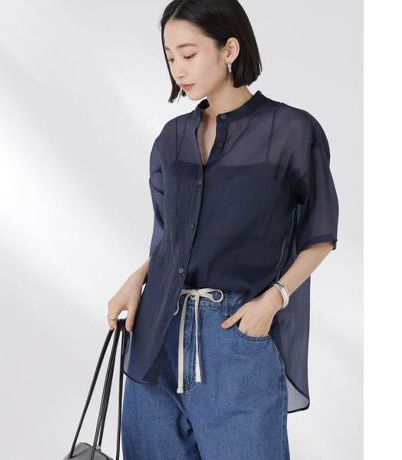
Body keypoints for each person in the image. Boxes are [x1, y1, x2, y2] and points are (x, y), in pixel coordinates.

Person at [107, 0, 339, 458]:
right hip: (155, 338)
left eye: (189, 54)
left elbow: (321, 234)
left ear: (229, 49)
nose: (178, 69)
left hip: (234, 338)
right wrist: (137, 279)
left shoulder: (291, 131)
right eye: (170, 57)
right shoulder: (171, 139)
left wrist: (274, 299)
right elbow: (174, 239)